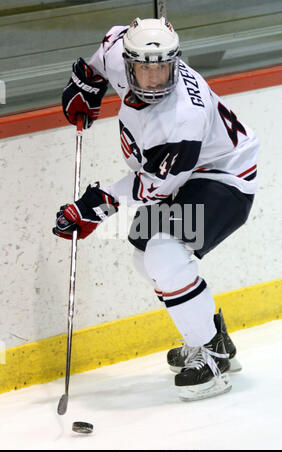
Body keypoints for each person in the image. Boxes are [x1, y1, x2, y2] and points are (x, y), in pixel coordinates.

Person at [53, 17, 259, 401]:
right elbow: (104, 51)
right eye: (145, 69)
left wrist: (96, 205)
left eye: (163, 68)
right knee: (144, 257)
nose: (155, 79)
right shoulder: (121, 49)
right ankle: (213, 339)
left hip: (225, 178)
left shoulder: (182, 117)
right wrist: (86, 82)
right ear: (129, 62)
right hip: (187, 175)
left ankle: (212, 361)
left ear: (175, 61)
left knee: (164, 253)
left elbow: (151, 185)